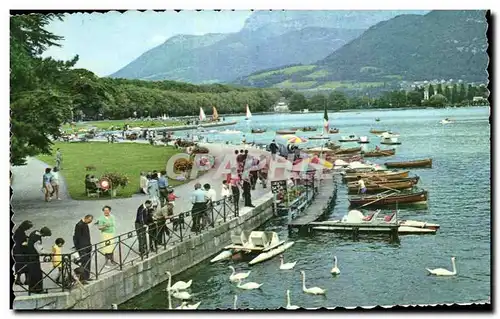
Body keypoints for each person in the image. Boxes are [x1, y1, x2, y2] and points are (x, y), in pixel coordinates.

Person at [26, 226, 52, 293]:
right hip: (33, 258)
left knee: (32, 273)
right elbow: (40, 250)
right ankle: (38, 290)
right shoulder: (37, 239)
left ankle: (31, 289)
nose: (44, 237)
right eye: (45, 235)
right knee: (38, 274)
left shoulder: (34, 232)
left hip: (29, 256)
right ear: (43, 234)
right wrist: (48, 253)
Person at [73, 214, 93, 283]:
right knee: (84, 262)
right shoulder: (79, 225)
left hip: (87, 246)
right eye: (90, 220)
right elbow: (76, 237)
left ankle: (87, 277)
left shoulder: (85, 224)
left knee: (88, 262)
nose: (90, 222)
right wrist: (77, 248)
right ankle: (83, 278)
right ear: (86, 218)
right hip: (82, 247)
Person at [13, 220, 34, 285]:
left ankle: (22, 280)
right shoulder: (20, 232)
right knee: (23, 264)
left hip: (19, 250)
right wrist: (29, 243)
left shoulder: (19, 231)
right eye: (28, 227)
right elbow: (22, 242)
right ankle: (22, 280)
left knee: (21, 265)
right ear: (25, 226)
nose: (28, 229)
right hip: (20, 251)